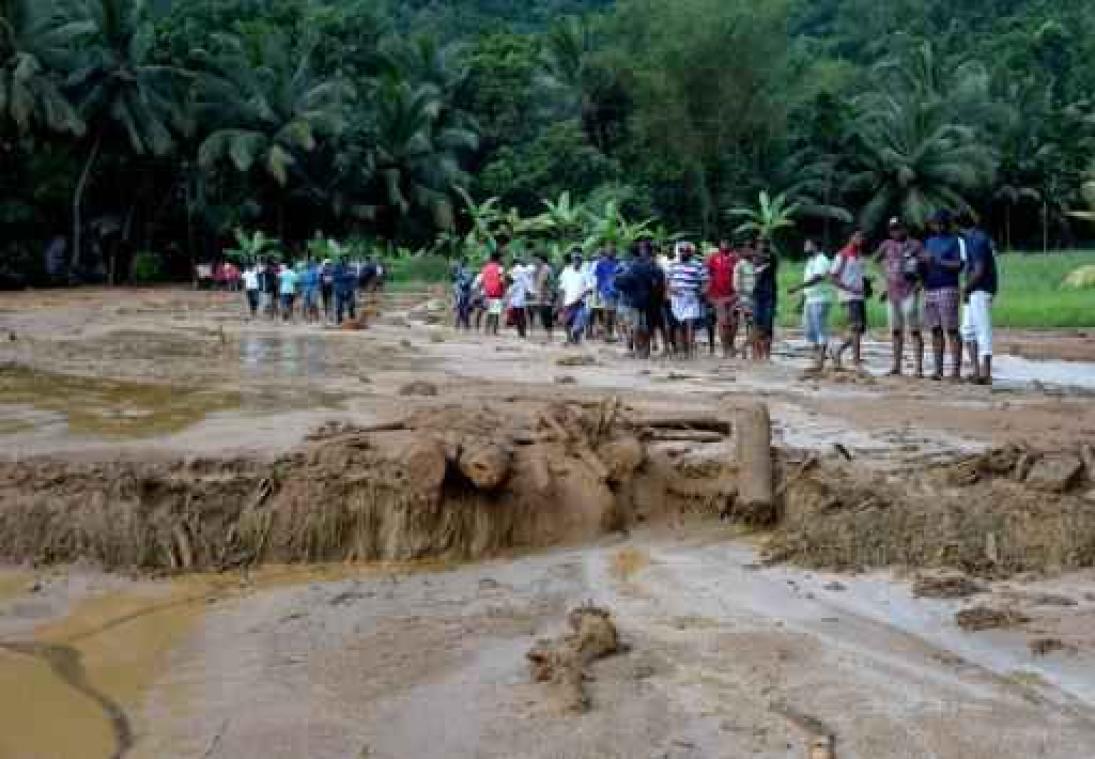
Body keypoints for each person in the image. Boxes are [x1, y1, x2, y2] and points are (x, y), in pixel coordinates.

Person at [873, 217, 925, 377]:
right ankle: (896, 366)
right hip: (892, 292)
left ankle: (918, 368)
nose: (895, 232)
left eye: (898, 228)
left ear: (905, 228)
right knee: (895, 330)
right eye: (892, 229)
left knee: (914, 330)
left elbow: (925, 264)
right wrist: (884, 278)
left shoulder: (915, 245)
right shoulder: (886, 245)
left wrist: (920, 282)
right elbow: (875, 261)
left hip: (909, 291)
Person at [921, 210, 965, 381]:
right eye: (934, 223)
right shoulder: (929, 241)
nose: (936, 226)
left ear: (946, 224)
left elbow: (959, 265)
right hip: (930, 288)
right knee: (935, 329)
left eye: (939, 223)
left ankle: (956, 371)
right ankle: (938, 370)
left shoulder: (955, 241)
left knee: (952, 329)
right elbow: (924, 262)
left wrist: (937, 261)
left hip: (948, 287)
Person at [960, 213, 998, 385]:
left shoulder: (977, 240)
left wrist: (965, 289)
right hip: (973, 290)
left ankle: (986, 373)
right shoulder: (972, 238)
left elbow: (979, 270)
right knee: (967, 330)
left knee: (983, 330)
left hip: (980, 289)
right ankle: (977, 371)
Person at [787, 239, 832, 369]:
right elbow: (808, 281)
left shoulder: (822, 260)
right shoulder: (811, 261)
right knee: (809, 330)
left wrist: (797, 287)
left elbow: (817, 278)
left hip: (820, 299)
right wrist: (801, 301)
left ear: (815, 246)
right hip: (810, 299)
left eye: (808, 244)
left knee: (820, 329)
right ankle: (817, 357)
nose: (805, 246)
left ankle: (819, 361)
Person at [829, 230, 867, 368]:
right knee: (856, 327)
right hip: (849, 296)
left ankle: (838, 349)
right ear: (851, 237)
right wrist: (848, 288)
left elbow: (860, 276)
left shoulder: (860, 256)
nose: (861, 239)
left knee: (861, 329)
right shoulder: (842, 255)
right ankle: (856, 361)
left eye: (862, 237)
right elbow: (832, 277)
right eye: (858, 236)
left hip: (859, 296)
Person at [667, 242, 707, 359]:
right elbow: (667, 281)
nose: (683, 253)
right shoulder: (673, 264)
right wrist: (670, 290)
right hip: (677, 298)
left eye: (686, 251)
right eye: (681, 250)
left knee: (690, 324)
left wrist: (701, 293)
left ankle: (689, 351)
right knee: (679, 325)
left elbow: (705, 282)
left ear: (691, 252)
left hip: (691, 298)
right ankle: (681, 350)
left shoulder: (698, 265)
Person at [706, 240, 740, 358]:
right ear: (719, 245)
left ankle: (731, 345)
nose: (725, 245)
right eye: (722, 243)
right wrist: (708, 294)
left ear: (731, 245)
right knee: (722, 322)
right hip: (718, 296)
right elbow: (708, 275)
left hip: (734, 295)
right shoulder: (713, 258)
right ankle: (725, 348)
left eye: (727, 243)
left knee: (734, 322)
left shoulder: (736, 258)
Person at [752, 238, 779, 361]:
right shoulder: (756, 259)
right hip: (758, 295)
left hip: (769, 295)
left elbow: (769, 258)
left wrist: (758, 254)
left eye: (762, 243)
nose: (760, 246)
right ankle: (758, 354)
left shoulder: (772, 257)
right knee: (757, 324)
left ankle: (767, 355)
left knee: (768, 325)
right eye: (758, 243)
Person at [559, 250, 591, 345]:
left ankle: (576, 340)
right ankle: (569, 339)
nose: (576, 262)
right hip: (567, 302)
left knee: (577, 328)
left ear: (581, 261)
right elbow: (562, 288)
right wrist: (560, 303)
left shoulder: (585, 273)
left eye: (579, 260)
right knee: (566, 324)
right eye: (575, 260)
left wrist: (581, 297)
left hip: (580, 303)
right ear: (572, 261)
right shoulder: (566, 271)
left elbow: (589, 289)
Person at [733, 247, 757, 360]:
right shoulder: (739, 265)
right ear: (743, 252)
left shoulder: (755, 263)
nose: (750, 252)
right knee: (751, 324)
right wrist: (742, 300)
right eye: (747, 250)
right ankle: (745, 348)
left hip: (756, 298)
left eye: (751, 250)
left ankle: (749, 348)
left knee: (753, 325)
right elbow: (736, 285)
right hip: (746, 299)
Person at [593, 243, 621, 341]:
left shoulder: (618, 263)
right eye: (609, 251)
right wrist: (597, 293)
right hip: (606, 291)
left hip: (617, 291)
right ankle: (607, 334)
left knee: (616, 314)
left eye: (613, 251)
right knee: (608, 313)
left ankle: (615, 333)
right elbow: (598, 279)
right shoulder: (601, 263)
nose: (611, 253)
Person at [478, 251, 507, 336]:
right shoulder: (500, 268)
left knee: (489, 311)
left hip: (487, 292)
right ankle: (494, 330)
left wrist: (482, 291)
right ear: (498, 258)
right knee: (496, 312)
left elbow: (482, 280)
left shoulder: (485, 268)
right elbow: (502, 280)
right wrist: (504, 289)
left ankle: (486, 329)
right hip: (497, 292)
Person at [529, 253, 555, 341]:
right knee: (542, 315)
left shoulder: (547, 269)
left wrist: (547, 295)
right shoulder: (538, 269)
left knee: (547, 315)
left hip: (546, 296)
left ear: (541, 259)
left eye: (536, 259)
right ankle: (546, 334)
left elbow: (548, 283)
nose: (535, 261)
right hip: (540, 296)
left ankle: (549, 335)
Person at [333, 256, 358, 324]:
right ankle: (339, 320)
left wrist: (353, 287)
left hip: (349, 289)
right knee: (339, 307)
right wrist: (347, 276)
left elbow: (354, 278)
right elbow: (335, 278)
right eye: (343, 259)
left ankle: (352, 320)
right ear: (340, 260)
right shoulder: (336, 268)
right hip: (339, 290)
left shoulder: (351, 268)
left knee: (351, 305)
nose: (344, 260)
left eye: (346, 259)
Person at [452, 257, 474, 330]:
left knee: (462, 308)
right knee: (462, 308)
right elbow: (468, 280)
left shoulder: (463, 270)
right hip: (462, 292)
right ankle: (462, 325)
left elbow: (467, 280)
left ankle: (461, 325)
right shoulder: (463, 270)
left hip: (462, 292)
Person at [299, 259, 320, 323]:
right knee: (306, 304)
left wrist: (317, 289)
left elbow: (317, 281)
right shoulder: (303, 272)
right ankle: (309, 317)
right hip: (306, 288)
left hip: (313, 288)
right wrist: (301, 289)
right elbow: (301, 282)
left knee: (313, 303)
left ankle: (315, 316)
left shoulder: (314, 271)